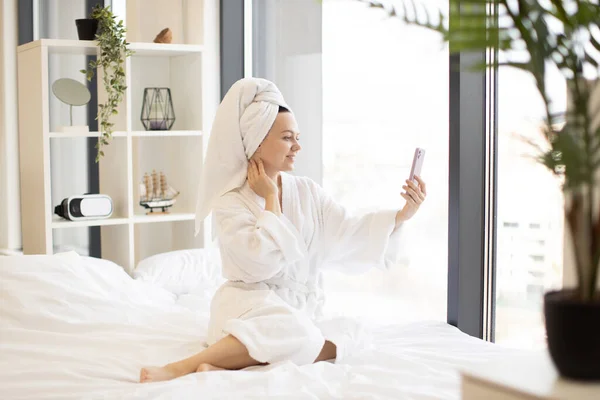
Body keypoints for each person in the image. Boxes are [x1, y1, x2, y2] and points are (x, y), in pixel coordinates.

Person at [139, 77, 426, 383]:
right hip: (249, 305)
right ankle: (181, 367)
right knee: (295, 331)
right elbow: (259, 263)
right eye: (288, 138)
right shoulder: (230, 202)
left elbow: (348, 229)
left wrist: (401, 215)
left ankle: (228, 364)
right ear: (257, 140)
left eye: (297, 137)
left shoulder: (307, 192)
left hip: (296, 311)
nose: (297, 147)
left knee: (354, 332)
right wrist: (271, 199)